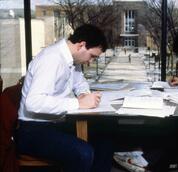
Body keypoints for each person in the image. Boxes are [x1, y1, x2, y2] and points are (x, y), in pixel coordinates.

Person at [15, 24, 113, 172]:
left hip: (54, 123)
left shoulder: (73, 59)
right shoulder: (51, 59)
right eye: (92, 56)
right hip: (31, 130)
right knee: (82, 153)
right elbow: (33, 103)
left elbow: (80, 83)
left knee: (105, 141)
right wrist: (78, 103)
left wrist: (84, 94)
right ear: (82, 45)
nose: (90, 62)